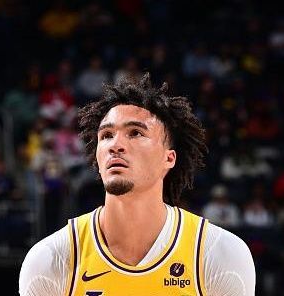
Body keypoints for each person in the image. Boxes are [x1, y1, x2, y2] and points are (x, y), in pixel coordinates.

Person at [19, 73, 256, 295]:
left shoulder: (218, 254)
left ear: (169, 158)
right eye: (107, 135)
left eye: (135, 133)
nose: (116, 145)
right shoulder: (52, 258)